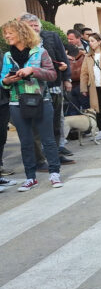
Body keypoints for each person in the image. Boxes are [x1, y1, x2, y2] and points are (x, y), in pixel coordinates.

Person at [0, 19, 62, 191]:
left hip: (41, 100)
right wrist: (6, 80)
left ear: (21, 33)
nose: (6, 36)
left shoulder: (40, 52)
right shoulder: (7, 56)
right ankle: (30, 177)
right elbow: (3, 79)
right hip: (16, 101)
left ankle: (54, 173)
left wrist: (33, 71)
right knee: (25, 141)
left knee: (47, 139)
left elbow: (52, 75)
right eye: (6, 33)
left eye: (10, 32)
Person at [18, 13, 73, 165]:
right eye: (31, 25)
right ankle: (40, 159)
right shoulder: (19, 42)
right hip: (31, 88)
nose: (34, 28)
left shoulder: (51, 36)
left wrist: (67, 77)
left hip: (54, 84)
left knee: (55, 121)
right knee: (36, 125)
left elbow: (62, 56)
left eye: (36, 25)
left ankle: (55, 153)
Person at [65, 29, 88, 112]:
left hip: (84, 82)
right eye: (68, 39)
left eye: (71, 39)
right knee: (73, 108)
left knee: (86, 106)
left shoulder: (88, 46)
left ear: (78, 38)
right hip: (71, 83)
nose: (69, 41)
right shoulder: (65, 49)